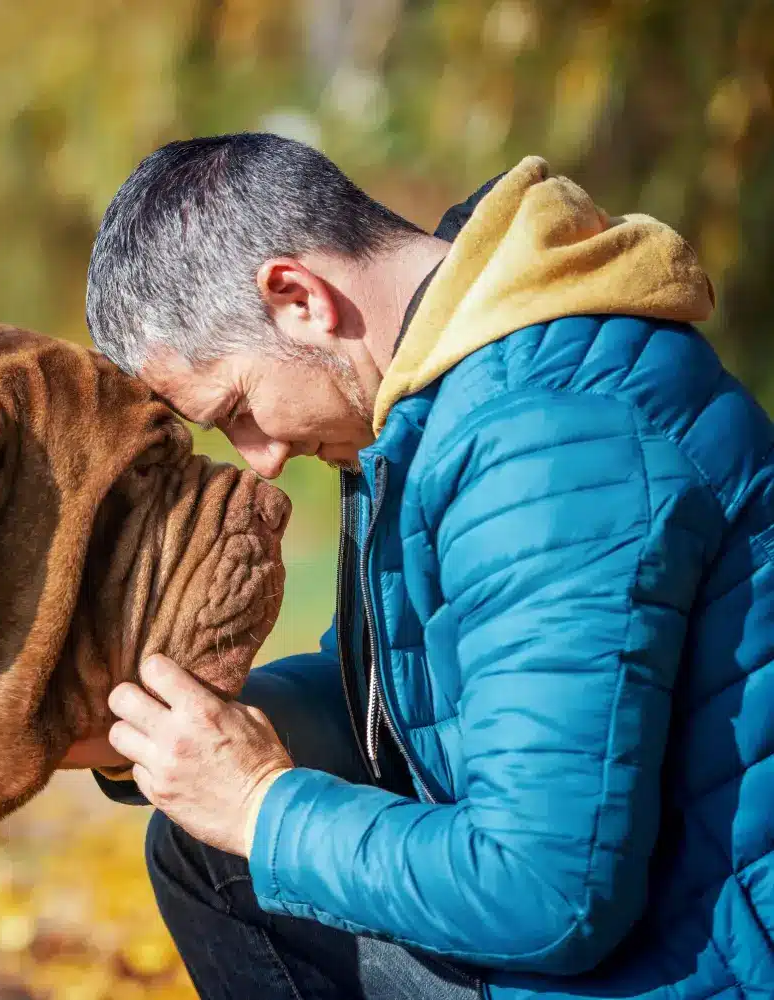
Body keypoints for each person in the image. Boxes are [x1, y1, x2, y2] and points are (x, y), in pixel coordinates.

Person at [71, 134, 773, 999]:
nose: (259, 460)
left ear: (297, 297)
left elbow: (547, 893)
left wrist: (259, 805)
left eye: (238, 410)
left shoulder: (549, 438)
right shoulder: (438, 396)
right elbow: (387, 697)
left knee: (232, 851)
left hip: (688, 967)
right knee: (200, 846)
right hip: (634, 937)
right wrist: (175, 727)